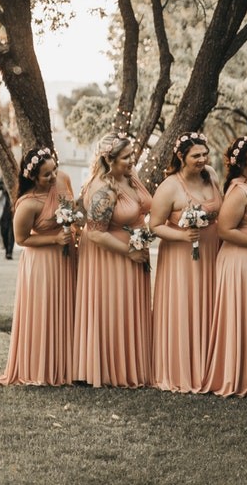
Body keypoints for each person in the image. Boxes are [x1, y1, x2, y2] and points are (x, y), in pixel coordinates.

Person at [73, 132, 154, 388]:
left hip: (131, 248)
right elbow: (96, 233)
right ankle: (110, 368)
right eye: (126, 156)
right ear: (110, 159)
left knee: (128, 305)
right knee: (112, 305)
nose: (132, 160)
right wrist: (128, 251)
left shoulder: (130, 177)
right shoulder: (103, 190)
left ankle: (132, 364)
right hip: (110, 256)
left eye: (132, 154)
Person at [0, 148, 76, 386]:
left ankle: (69, 366)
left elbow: (74, 208)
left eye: (54, 170)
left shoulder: (64, 180)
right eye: (46, 175)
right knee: (45, 312)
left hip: (68, 258)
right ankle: (42, 367)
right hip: (42, 264)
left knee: (67, 308)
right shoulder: (27, 204)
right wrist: (55, 239)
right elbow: (22, 240)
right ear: (33, 178)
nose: (53, 177)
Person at [202, 136, 247, 397]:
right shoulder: (238, 191)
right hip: (240, 260)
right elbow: (224, 230)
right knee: (241, 314)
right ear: (242, 164)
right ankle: (236, 373)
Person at [149, 132, 222, 393]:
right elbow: (155, 225)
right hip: (182, 256)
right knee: (186, 304)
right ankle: (181, 367)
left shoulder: (212, 175)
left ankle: (208, 366)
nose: (202, 159)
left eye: (205, 154)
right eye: (196, 156)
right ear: (181, 157)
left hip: (212, 249)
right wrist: (182, 234)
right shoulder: (169, 186)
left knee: (210, 304)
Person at [0, 176, 15, 260]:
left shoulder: (13, 192)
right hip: (2, 217)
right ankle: (7, 250)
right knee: (4, 234)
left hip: (12, 217)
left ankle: (9, 252)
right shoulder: (0, 193)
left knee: (11, 235)